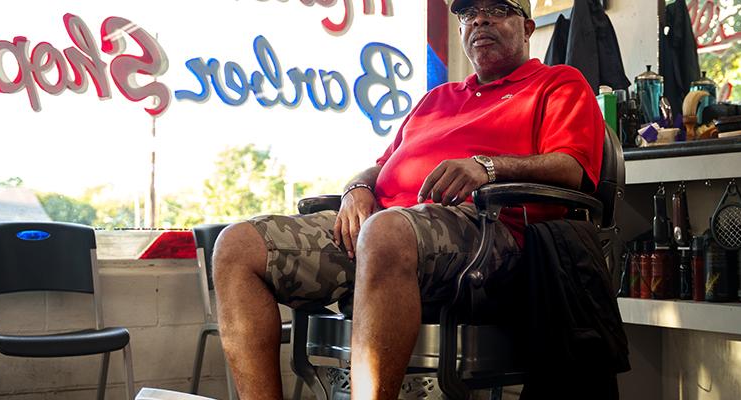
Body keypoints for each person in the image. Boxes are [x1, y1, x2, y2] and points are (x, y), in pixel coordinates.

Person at [211, 0, 605, 398]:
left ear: (527, 28)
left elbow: (572, 167)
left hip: (489, 234)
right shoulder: (435, 100)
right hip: (385, 231)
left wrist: (486, 166)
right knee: (236, 246)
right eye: (469, 15)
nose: (480, 20)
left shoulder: (559, 83)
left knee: (384, 232)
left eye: (497, 10)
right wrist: (357, 188)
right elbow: (381, 168)